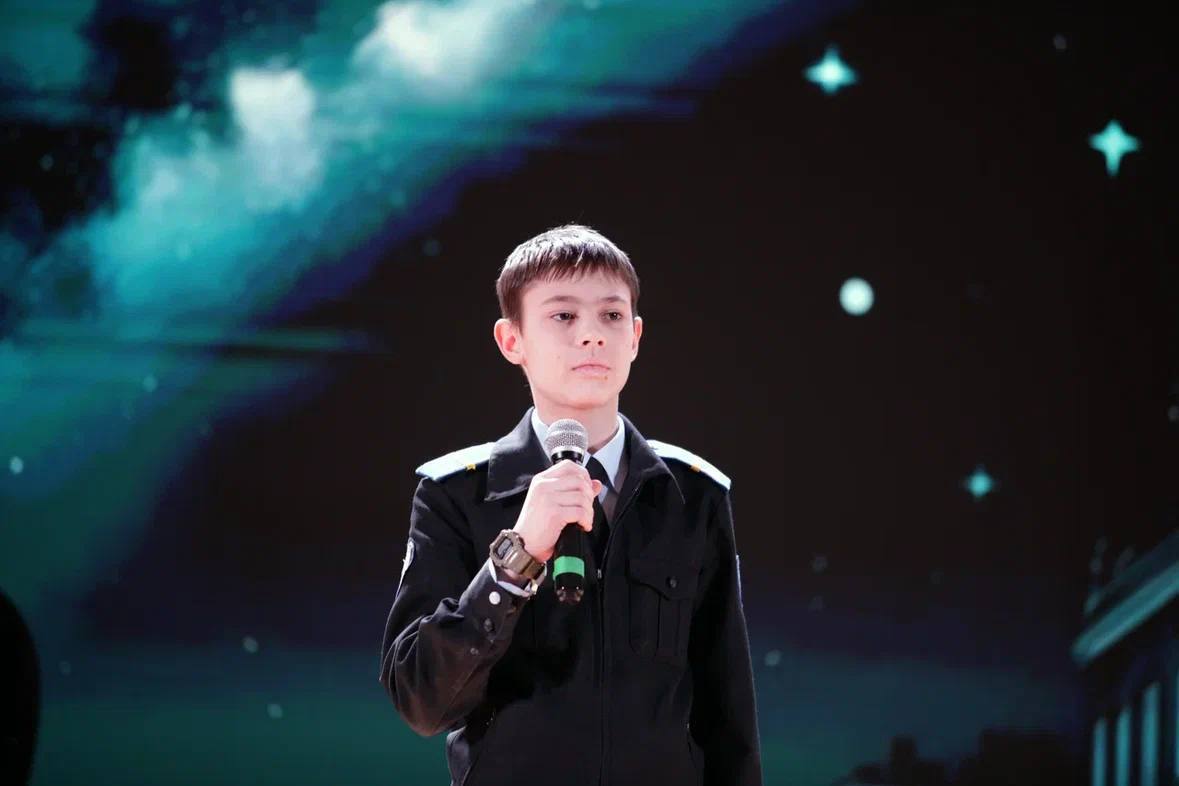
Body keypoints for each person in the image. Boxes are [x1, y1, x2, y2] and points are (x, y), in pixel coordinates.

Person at [378, 224, 762, 786]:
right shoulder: (455, 496)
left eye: (611, 315)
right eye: (563, 316)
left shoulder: (692, 495)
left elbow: (728, 715)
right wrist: (516, 559)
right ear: (512, 341)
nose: (592, 336)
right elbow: (421, 700)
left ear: (635, 337)